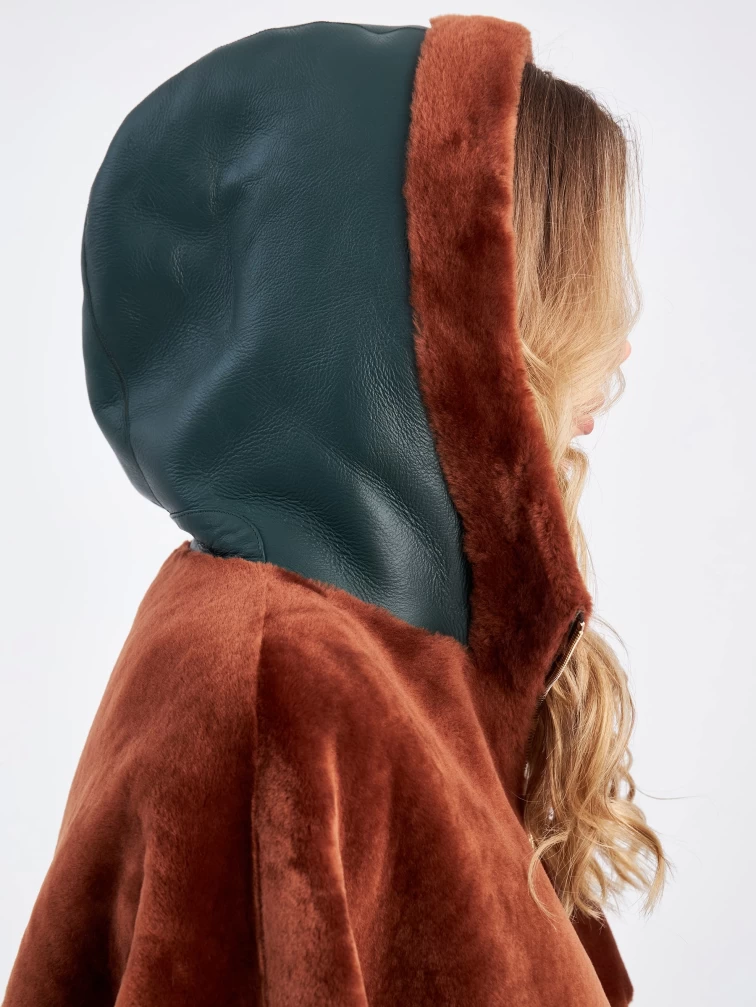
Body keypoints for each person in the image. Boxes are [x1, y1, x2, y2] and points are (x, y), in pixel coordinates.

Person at [3, 13, 666, 1006]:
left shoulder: (386, 660)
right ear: (434, 311)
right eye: (565, 280)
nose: (620, 339)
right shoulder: (282, 680)